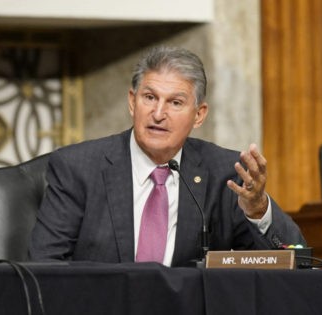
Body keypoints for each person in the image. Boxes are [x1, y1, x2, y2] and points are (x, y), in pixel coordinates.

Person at [29, 45, 305, 267]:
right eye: (149, 97)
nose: (158, 113)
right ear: (131, 102)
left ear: (199, 115)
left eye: (175, 102)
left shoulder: (225, 172)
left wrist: (258, 210)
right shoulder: (78, 168)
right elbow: (42, 267)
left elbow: (295, 259)